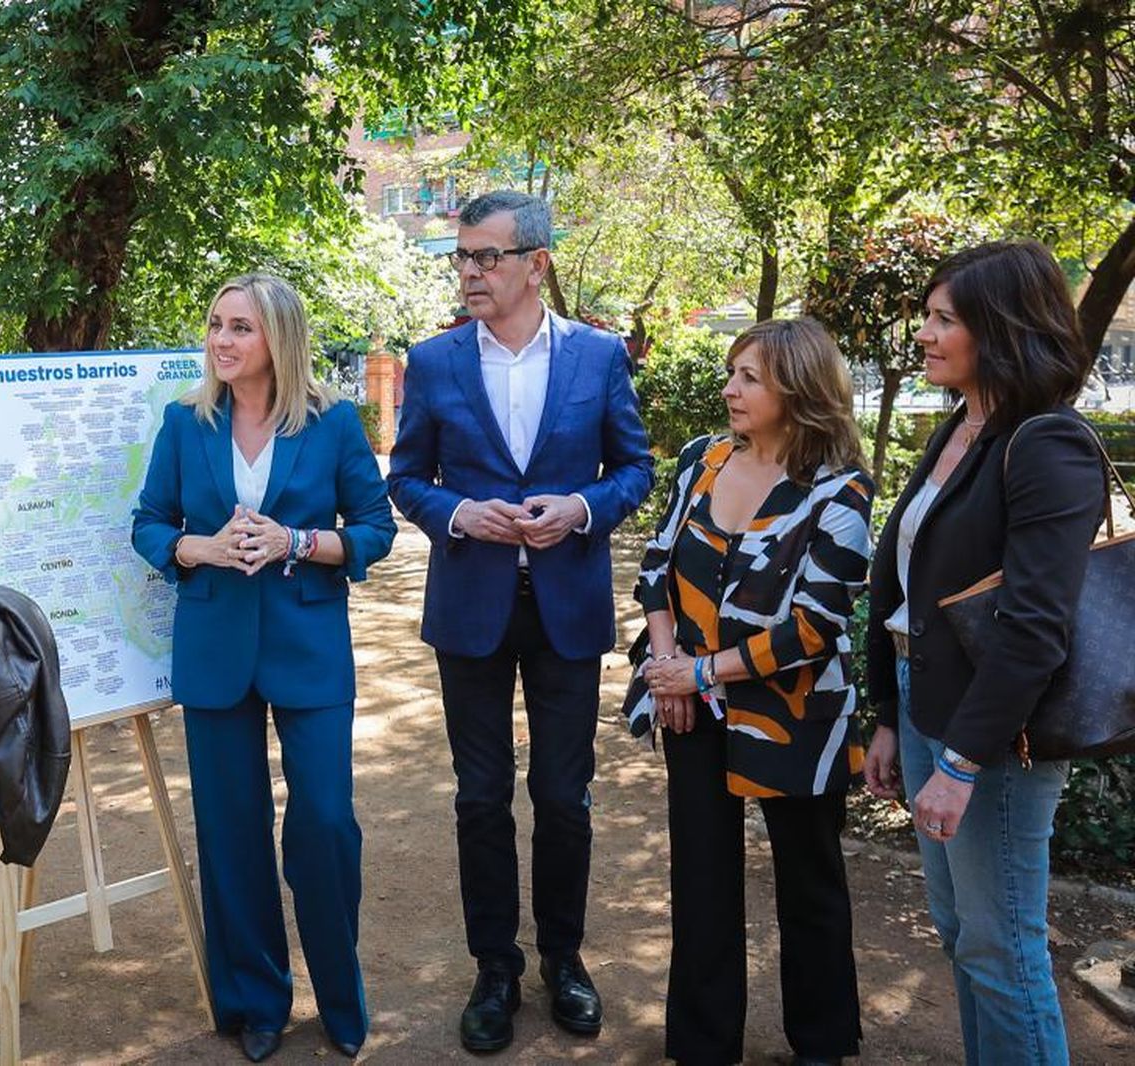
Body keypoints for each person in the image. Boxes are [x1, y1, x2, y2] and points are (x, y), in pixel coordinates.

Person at [387, 189, 655, 1052]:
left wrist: (579, 507)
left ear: (535, 263)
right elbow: (408, 479)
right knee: (480, 796)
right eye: (461, 257)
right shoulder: (432, 362)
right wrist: (461, 516)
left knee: (564, 798)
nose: (468, 272)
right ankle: (494, 968)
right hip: (471, 606)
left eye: (485, 257)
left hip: (567, 607)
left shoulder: (600, 355)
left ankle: (565, 961)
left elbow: (635, 470)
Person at [130, 273, 396, 1062]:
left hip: (309, 649)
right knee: (230, 828)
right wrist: (193, 548)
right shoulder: (186, 424)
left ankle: (340, 995)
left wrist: (300, 542)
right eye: (215, 324)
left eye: (239, 326)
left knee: (324, 822)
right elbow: (148, 521)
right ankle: (256, 1001)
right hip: (213, 649)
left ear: (278, 336)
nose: (221, 340)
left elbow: (376, 527)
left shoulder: (333, 423)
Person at [861, 241, 1103, 1065]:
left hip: (993, 736)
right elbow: (905, 586)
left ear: (1001, 329)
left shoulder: (1047, 444)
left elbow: (1034, 626)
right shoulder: (964, 425)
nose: (923, 334)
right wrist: (888, 719)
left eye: (943, 319)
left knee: (1004, 948)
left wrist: (961, 763)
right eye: (926, 316)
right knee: (967, 935)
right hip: (926, 702)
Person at [627, 317, 873, 1066]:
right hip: (691, 704)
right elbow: (655, 567)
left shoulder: (840, 491)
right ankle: (704, 1045)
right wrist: (669, 669)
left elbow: (815, 627)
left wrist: (701, 673)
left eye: (749, 378)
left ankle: (823, 1043)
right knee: (700, 879)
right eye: (732, 373)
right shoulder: (703, 460)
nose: (729, 389)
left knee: (810, 882)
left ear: (798, 389)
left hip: (794, 713)